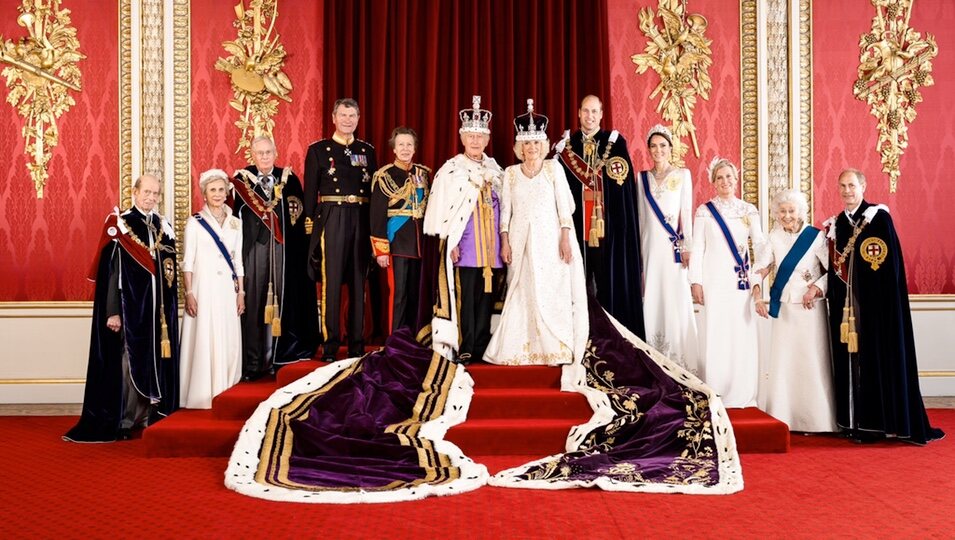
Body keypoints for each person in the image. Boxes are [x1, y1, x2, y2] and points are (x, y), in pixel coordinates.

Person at [825, 169, 943, 444]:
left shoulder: (877, 218)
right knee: (850, 362)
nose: (847, 191)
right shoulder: (838, 224)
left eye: (852, 185)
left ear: (863, 186)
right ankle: (852, 423)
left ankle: (878, 425)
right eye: (842, 186)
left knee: (875, 361)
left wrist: (871, 299)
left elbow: (888, 267)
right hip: (846, 311)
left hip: (876, 309)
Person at [64, 174, 179, 442]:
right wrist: (112, 311)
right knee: (130, 363)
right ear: (135, 192)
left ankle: (148, 416)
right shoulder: (120, 224)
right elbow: (112, 273)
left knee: (152, 362)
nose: (151, 198)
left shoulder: (161, 225)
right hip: (130, 310)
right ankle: (126, 421)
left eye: (155, 193)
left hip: (157, 314)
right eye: (147, 192)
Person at [485, 99, 588, 367]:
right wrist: (504, 241)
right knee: (522, 291)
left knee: (551, 290)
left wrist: (565, 238)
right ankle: (520, 348)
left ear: (543, 144)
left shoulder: (554, 169)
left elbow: (565, 207)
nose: (532, 147)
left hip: (551, 241)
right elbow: (505, 212)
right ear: (520, 146)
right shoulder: (510, 173)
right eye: (527, 143)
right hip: (520, 242)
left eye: (536, 143)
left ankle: (554, 347)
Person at [555, 95, 645, 338]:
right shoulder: (567, 147)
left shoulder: (615, 144)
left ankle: (609, 336)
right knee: (577, 283)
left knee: (607, 283)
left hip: (607, 229)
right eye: (586, 111)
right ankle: (578, 336)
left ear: (601, 115)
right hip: (576, 228)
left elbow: (622, 189)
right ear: (578, 113)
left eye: (594, 111)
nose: (590, 116)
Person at [423, 95, 505, 363]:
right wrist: (451, 242)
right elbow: (443, 211)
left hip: (492, 248)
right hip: (467, 246)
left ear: (487, 140)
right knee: (466, 297)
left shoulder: (496, 170)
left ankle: (482, 345)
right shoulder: (452, 170)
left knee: (486, 298)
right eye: (471, 136)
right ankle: (466, 345)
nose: (475, 141)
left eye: (480, 137)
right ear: (462, 138)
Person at [233, 136, 316, 379]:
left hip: (283, 251)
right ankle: (254, 362)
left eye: (268, 152)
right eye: (260, 153)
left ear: (276, 153)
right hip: (255, 250)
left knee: (282, 301)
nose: (265, 157)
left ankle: (279, 357)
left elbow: (298, 218)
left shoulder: (289, 179)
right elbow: (236, 219)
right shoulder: (242, 180)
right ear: (252, 155)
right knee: (255, 302)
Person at [752, 189, 836, 432]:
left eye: (791, 210)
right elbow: (760, 268)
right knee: (786, 363)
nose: (787, 215)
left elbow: (834, 271)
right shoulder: (773, 237)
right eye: (782, 211)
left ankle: (818, 421)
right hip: (785, 308)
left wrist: (817, 288)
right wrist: (757, 296)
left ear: (801, 212)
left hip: (811, 308)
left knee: (811, 360)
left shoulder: (816, 237)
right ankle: (785, 417)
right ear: (776, 214)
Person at [304, 98, 377, 361]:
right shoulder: (318, 150)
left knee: (359, 282)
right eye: (343, 115)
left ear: (358, 119)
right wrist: (311, 226)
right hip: (332, 217)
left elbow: (373, 191)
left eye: (352, 116)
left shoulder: (367, 150)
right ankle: (330, 345)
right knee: (331, 281)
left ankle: (357, 344)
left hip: (361, 216)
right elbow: (310, 192)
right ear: (334, 118)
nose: (347, 120)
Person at [688, 158, 764, 408]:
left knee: (740, 333)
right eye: (719, 177)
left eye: (729, 176)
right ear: (713, 182)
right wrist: (696, 281)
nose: (725, 181)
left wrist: (760, 274)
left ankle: (742, 390)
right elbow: (697, 248)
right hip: (714, 281)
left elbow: (760, 245)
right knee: (716, 332)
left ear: (736, 179)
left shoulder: (749, 210)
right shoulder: (704, 211)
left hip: (740, 283)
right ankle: (716, 388)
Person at [180, 169, 245, 409]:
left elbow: (238, 261)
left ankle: (226, 391)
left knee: (227, 337)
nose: (217, 194)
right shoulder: (195, 223)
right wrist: (189, 293)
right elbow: (188, 261)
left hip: (227, 290)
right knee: (205, 336)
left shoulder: (236, 223)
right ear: (204, 194)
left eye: (221, 190)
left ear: (227, 192)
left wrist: (241, 293)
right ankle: (202, 394)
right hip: (203, 288)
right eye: (212, 190)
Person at [637, 124, 699, 373]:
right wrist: (640, 253)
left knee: (675, 298)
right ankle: (655, 357)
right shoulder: (642, 178)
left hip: (673, 250)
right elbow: (641, 218)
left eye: (663, 145)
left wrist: (687, 247)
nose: (658, 150)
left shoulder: (682, 175)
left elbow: (686, 213)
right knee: (653, 296)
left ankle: (680, 360)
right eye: (653, 146)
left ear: (671, 148)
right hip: (650, 248)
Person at [370, 127, 430, 332]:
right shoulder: (384, 176)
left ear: (415, 148)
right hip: (396, 243)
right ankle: (395, 340)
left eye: (409, 145)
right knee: (399, 295)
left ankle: (412, 337)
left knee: (416, 295)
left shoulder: (422, 174)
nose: (405, 149)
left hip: (419, 244)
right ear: (394, 149)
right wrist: (381, 250)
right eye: (401, 145)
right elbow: (377, 215)